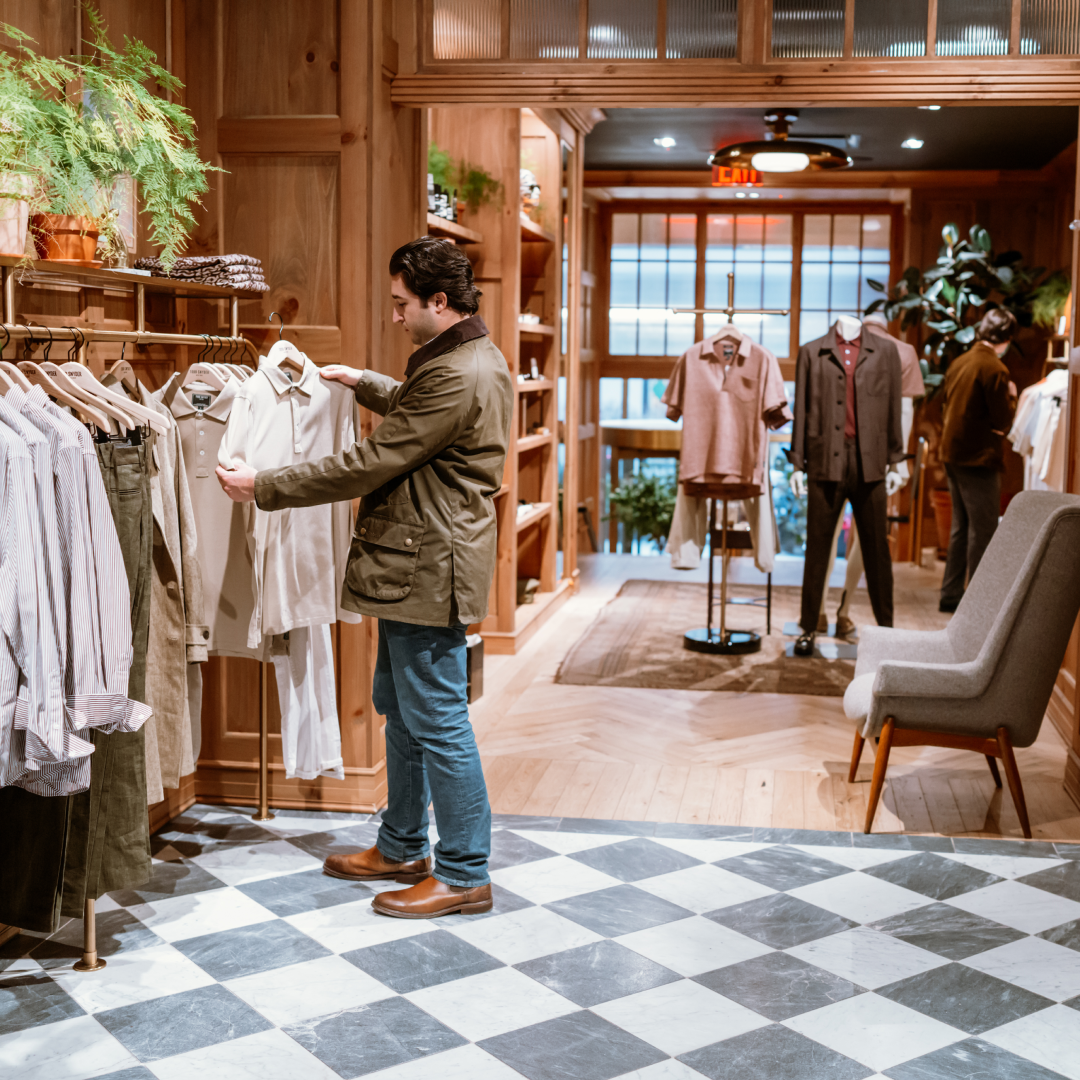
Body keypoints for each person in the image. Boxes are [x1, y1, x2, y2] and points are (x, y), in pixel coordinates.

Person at [216, 236, 513, 919]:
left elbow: (371, 461)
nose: (394, 316)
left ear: (439, 303)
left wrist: (265, 484)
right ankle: (403, 842)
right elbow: (423, 415)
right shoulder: (468, 356)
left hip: (427, 566)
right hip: (417, 561)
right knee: (402, 709)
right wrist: (366, 383)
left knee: (437, 719)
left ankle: (465, 870)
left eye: (402, 304)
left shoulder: (459, 373)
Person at [938, 307, 1018, 613]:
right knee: (982, 529)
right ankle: (978, 603)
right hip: (978, 457)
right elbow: (1001, 421)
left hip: (952, 453)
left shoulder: (960, 361)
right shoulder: (995, 368)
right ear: (1005, 337)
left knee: (961, 526)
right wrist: (1011, 395)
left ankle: (950, 594)